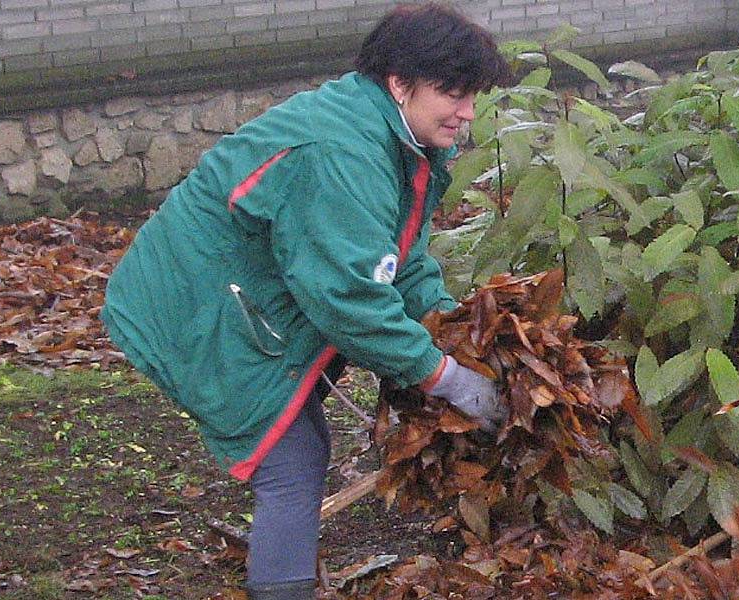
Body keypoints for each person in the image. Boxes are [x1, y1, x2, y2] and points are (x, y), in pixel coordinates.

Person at [100, 4, 511, 598]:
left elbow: (399, 256)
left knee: (300, 444)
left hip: (243, 297)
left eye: (473, 95)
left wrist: (448, 323)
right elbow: (346, 296)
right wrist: (442, 375)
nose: (467, 113)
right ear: (400, 82)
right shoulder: (341, 152)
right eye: (453, 93)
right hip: (195, 305)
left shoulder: (391, 136)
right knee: (291, 464)